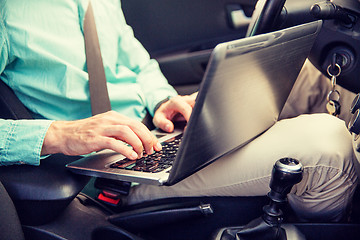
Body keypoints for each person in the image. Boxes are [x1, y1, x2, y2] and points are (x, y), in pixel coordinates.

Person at [0, 0, 357, 222]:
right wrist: (59, 134)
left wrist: (161, 100)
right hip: (108, 174)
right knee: (329, 147)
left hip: (157, 134)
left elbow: (137, 63)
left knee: (313, 78)